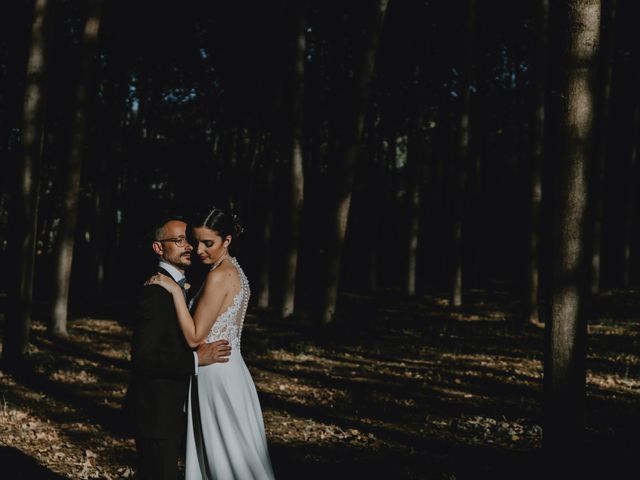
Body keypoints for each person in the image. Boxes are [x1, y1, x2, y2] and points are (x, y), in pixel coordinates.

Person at [147, 206, 275, 480]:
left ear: (227, 240)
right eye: (196, 242)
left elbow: (195, 337)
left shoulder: (218, 276)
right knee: (236, 452)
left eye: (209, 243)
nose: (200, 249)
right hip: (231, 369)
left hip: (215, 373)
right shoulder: (233, 270)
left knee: (225, 456)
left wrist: (175, 292)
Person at [127, 215, 232, 480]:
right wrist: (197, 360)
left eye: (189, 240)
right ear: (158, 248)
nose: (188, 247)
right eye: (178, 240)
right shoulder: (156, 292)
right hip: (156, 413)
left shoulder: (182, 286)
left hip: (176, 410)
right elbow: (143, 359)